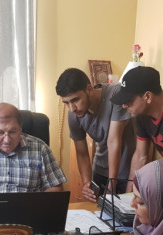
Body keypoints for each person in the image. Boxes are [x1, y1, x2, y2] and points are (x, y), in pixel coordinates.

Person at [56, 67, 136, 201]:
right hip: (100, 170)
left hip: (127, 173)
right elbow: (82, 153)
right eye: (66, 103)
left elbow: (113, 142)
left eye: (75, 100)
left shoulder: (116, 94)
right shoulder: (73, 115)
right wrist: (87, 183)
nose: (72, 108)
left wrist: (111, 186)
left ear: (89, 89)